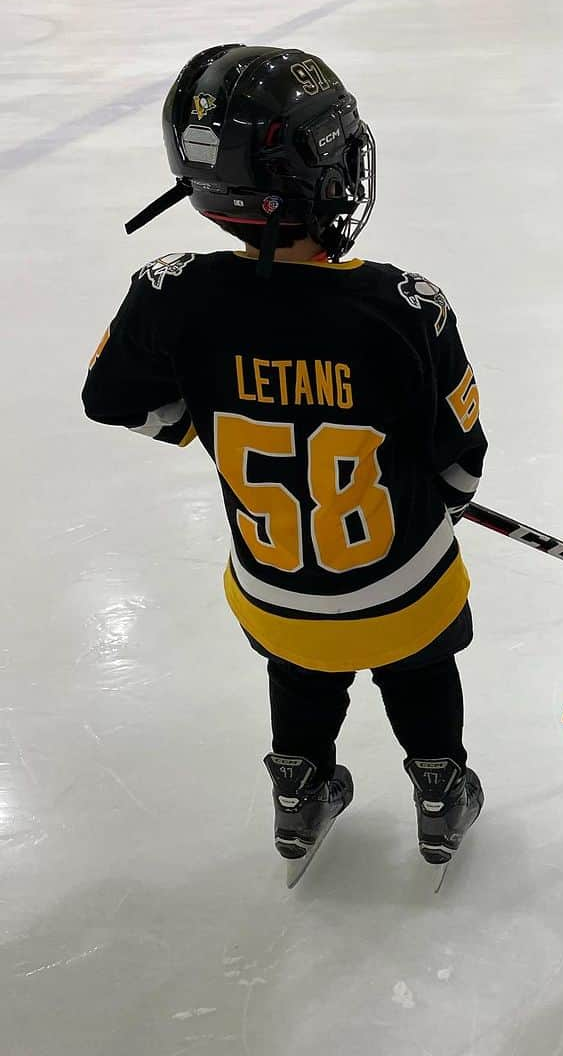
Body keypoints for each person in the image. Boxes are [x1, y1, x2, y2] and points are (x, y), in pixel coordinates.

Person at [82, 44, 486, 883]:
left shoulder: (169, 292)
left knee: (302, 668)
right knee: (418, 666)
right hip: (402, 583)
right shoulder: (402, 307)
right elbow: (460, 466)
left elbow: (110, 396)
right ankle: (440, 785)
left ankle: (300, 786)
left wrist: (211, 423)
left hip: (275, 588)